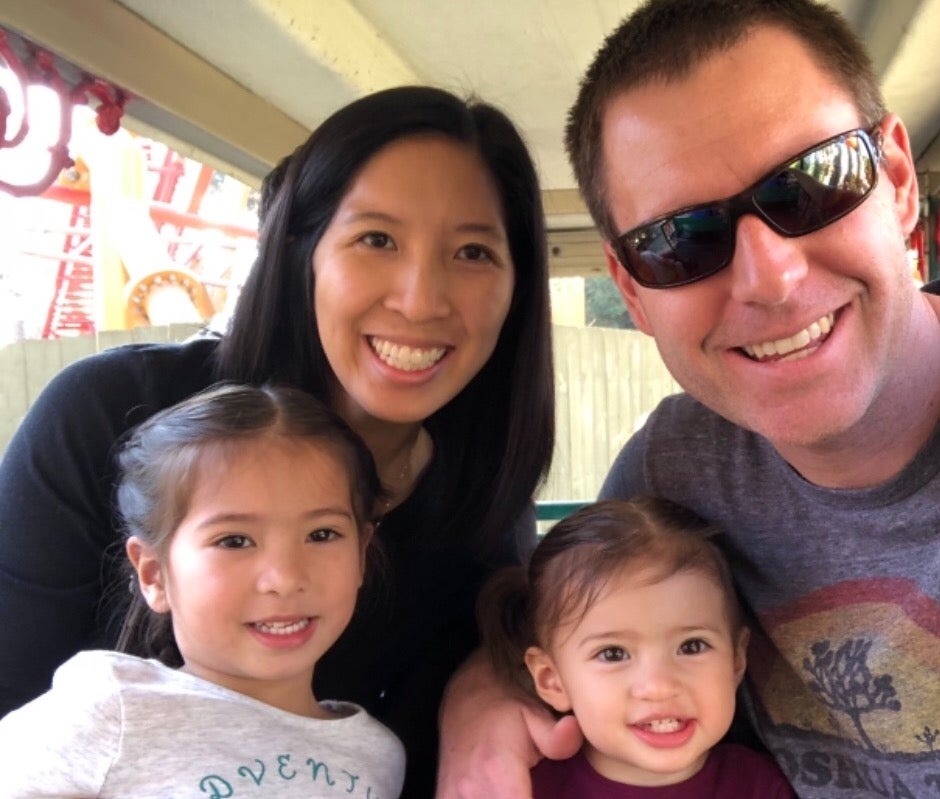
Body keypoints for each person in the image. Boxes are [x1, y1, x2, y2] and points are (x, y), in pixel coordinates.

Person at [437, 0, 940, 797]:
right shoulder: (679, 468)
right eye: (680, 239)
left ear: (898, 180)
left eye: (808, 185)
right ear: (631, 288)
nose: (771, 278)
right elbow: (563, 625)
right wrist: (479, 699)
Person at [0, 85, 554, 798]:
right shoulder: (104, 416)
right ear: (303, 252)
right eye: (376, 239)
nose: (421, 298)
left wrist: (491, 678)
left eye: (474, 251)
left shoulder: (482, 519)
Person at [0, 383, 406, 797]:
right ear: (155, 574)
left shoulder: (378, 756)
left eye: (322, 534)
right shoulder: (112, 713)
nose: (284, 577)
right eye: (234, 541)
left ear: (361, 554)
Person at [478, 497, 795, 797]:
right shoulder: (520, 788)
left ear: (736, 661)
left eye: (692, 646)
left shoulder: (762, 787)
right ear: (552, 679)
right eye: (613, 653)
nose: (659, 687)